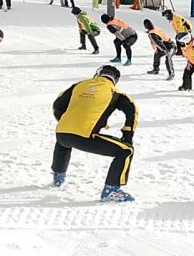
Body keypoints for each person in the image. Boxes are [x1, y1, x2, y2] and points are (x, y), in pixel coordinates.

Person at [51, 65, 138, 202]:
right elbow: (132, 112)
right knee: (126, 150)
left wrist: (65, 123)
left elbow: (57, 104)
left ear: (97, 74)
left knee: (64, 142)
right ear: (115, 80)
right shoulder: (115, 93)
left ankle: (58, 176)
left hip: (61, 133)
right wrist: (127, 137)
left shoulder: (79, 85)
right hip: (83, 137)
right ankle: (111, 190)